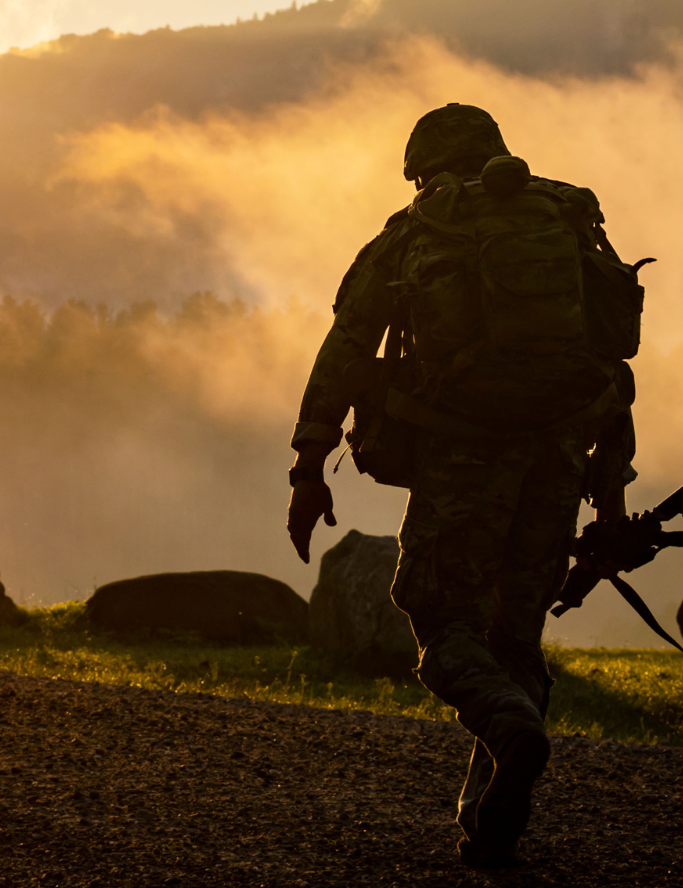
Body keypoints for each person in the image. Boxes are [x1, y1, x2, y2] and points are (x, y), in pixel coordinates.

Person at [285, 103, 641, 870]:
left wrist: (310, 466)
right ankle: (489, 819)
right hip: (558, 455)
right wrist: (608, 499)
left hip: (464, 457)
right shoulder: (569, 221)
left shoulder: (420, 230)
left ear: (426, 168)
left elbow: (346, 347)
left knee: (439, 617)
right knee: (516, 634)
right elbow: (613, 367)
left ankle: (510, 730)